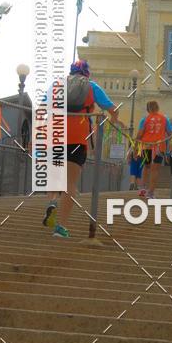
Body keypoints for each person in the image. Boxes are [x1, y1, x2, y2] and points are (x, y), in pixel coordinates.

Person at [42, 60, 119, 239]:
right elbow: (113, 110)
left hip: (55, 135)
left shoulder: (57, 85)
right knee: (70, 183)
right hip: (78, 137)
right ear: (87, 74)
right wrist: (107, 127)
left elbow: (43, 109)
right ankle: (61, 228)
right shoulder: (92, 87)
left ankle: (52, 201)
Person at [135, 101, 172, 199]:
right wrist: (170, 146)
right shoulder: (164, 119)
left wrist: (136, 148)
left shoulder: (145, 119)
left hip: (146, 146)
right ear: (157, 107)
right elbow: (171, 133)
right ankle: (151, 193)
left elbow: (139, 134)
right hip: (158, 147)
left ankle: (142, 188)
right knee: (155, 170)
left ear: (148, 109)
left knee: (146, 167)